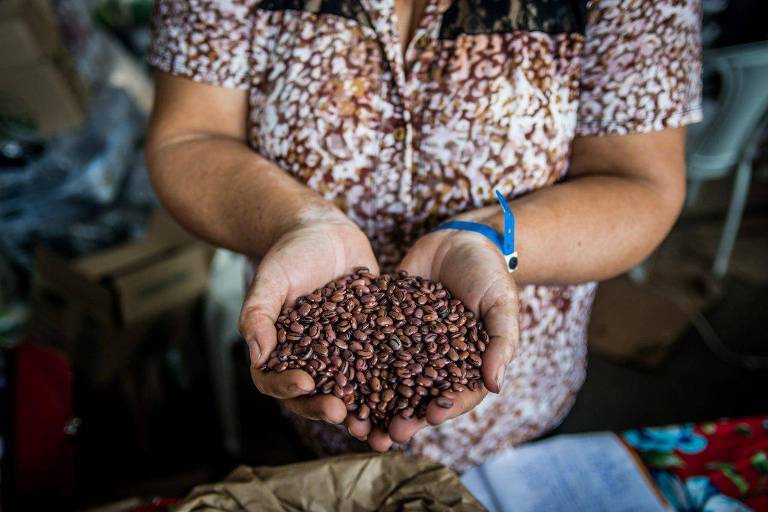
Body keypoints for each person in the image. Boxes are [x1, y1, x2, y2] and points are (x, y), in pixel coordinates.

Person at [145, 0, 702, 472]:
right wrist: (297, 222)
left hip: (519, 405)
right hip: (312, 400)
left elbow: (641, 183)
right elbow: (188, 138)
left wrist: (482, 237)